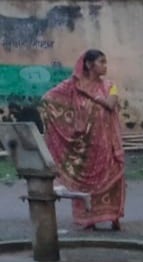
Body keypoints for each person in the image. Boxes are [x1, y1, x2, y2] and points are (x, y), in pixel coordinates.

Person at [39, 49, 126, 231]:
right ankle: (89, 218)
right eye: (101, 62)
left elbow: (110, 104)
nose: (105, 66)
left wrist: (93, 96)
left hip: (108, 143)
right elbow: (48, 99)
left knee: (114, 178)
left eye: (105, 62)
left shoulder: (110, 85)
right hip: (86, 146)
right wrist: (68, 121)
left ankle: (113, 216)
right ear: (88, 65)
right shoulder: (73, 86)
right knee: (87, 183)